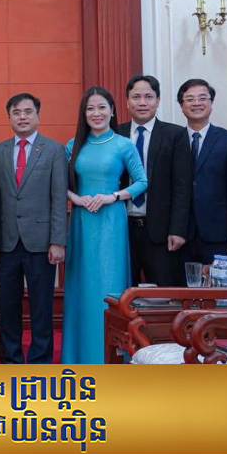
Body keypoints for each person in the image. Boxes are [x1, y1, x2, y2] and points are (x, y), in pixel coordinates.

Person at [62, 86, 147, 365]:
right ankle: (78, 358)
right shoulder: (73, 145)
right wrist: (77, 199)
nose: (96, 113)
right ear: (83, 114)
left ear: (112, 110)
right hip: (82, 222)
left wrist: (113, 196)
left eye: (101, 107)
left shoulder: (123, 144)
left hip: (111, 222)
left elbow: (142, 181)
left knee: (109, 285)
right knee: (81, 288)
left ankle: (110, 358)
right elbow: (59, 184)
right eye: (90, 108)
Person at [0, 93, 67, 364]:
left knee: (41, 308)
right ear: (9, 117)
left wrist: (58, 241)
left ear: (38, 115)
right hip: (7, 242)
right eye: (16, 112)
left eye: (27, 112)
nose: (22, 117)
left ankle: (40, 361)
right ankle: (10, 360)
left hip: (41, 243)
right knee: (7, 306)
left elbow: (59, 198)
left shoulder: (54, 150)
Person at [116, 75, 192, 286]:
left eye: (148, 97)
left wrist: (178, 230)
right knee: (122, 292)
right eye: (136, 97)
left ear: (158, 100)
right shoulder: (116, 134)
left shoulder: (175, 134)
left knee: (163, 293)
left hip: (161, 232)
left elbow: (182, 186)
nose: (142, 102)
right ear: (127, 101)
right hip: (122, 228)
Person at [177, 79, 227, 265]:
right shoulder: (173, 139)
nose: (197, 103)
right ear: (181, 106)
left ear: (211, 103)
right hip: (181, 234)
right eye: (190, 99)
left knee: (218, 283)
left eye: (202, 98)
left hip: (219, 233)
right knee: (184, 283)